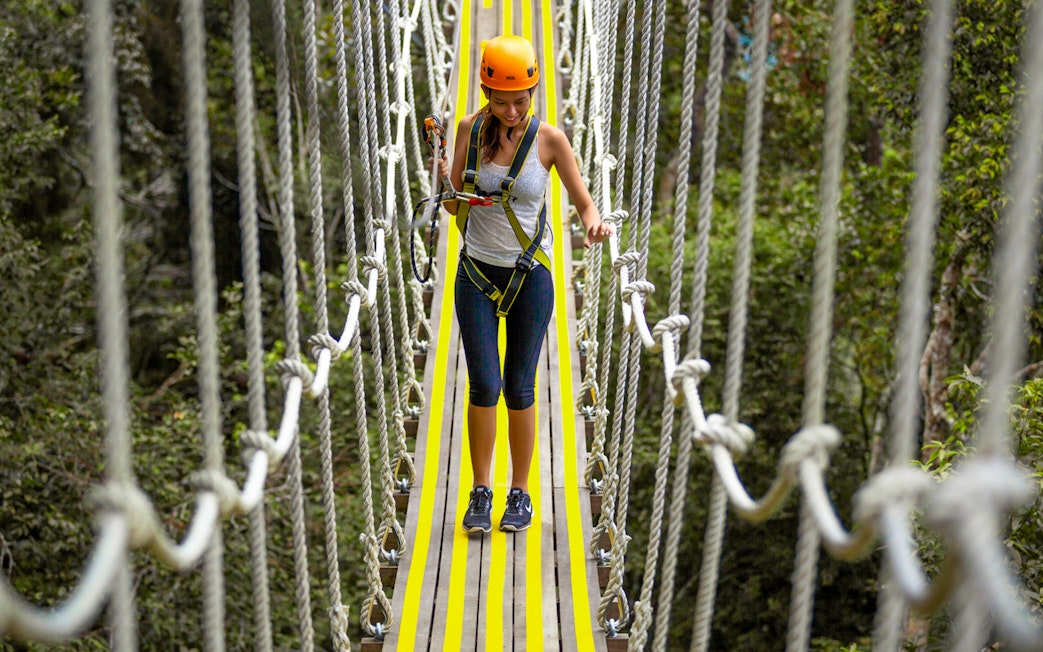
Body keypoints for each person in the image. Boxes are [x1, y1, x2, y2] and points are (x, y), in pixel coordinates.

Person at [433, 34, 613, 534]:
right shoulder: (469, 128)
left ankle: (521, 493)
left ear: (533, 91)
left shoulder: (550, 140)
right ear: (486, 92)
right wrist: (442, 173)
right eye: (502, 100)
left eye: (522, 100)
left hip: (529, 276)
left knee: (519, 386)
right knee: (484, 384)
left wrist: (594, 224)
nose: (512, 111)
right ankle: (481, 490)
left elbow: (583, 201)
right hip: (475, 273)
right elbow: (453, 208)